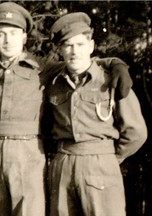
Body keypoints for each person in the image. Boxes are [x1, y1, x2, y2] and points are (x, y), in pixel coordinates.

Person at [0, 3, 133, 216]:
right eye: (1, 33)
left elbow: (81, 61)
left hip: (29, 153)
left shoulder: (43, 68)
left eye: (13, 33)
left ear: (24, 37)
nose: (8, 40)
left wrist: (116, 63)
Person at [45, 12, 147, 216]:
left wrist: (108, 157)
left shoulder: (111, 80)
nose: (74, 52)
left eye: (80, 45)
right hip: (63, 164)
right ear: (60, 50)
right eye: (68, 45)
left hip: (101, 164)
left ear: (91, 46)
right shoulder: (53, 84)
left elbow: (136, 133)